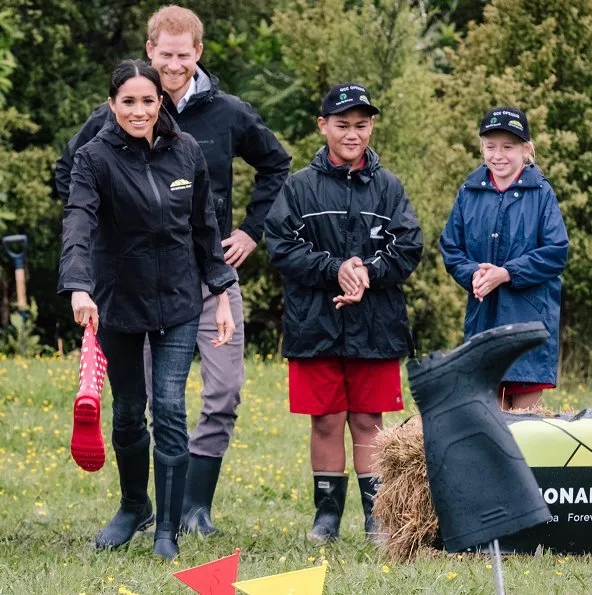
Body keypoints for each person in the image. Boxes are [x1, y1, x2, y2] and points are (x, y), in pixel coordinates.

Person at [55, 5, 291, 536]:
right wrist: (90, 255)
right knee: (136, 404)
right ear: (149, 53)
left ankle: (191, 509)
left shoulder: (224, 116)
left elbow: (273, 168)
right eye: (165, 55)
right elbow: (74, 189)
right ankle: (140, 506)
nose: (174, 64)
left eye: (184, 55)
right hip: (128, 286)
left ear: (198, 54)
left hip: (201, 279)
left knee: (214, 392)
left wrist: (250, 233)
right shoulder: (110, 120)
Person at [58, 59, 237, 559]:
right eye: (129, 101)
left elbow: (206, 227)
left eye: (148, 100)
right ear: (113, 104)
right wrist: (78, 286)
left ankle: (167, 532)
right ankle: (134, 506)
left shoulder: (186, 154)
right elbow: (78, 221)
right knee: (129, 413)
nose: (140, 111)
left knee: (170, 407)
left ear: (162, 102)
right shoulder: (93, 159)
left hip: (179, 300)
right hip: (117, 300)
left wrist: (220, 295)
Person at [265, 83, 423, 542]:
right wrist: (337, 269)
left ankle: (377, 518)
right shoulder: (298, 187)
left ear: (371, 126)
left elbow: (408, 247)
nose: (352, 134)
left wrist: (366, 274)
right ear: (323, 126)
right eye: (342, 125)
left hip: (376, 324)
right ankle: (327, 518)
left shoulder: (389, 187)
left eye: (361, 125)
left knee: (369, 421)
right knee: (326, 420)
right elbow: (281, 247)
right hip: (314, 323)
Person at [440, 106, 569, 410]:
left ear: (526, 150)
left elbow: (555, 252)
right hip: (483, 323)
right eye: (490, 146)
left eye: (508, 147)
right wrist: (473, 273)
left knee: (526, 428)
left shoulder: (542, 193)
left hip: (528, 323)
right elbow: (451, 248)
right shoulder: (468, 192)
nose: (498, 155)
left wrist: (507, 273)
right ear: (481, 146)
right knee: (492, 428)